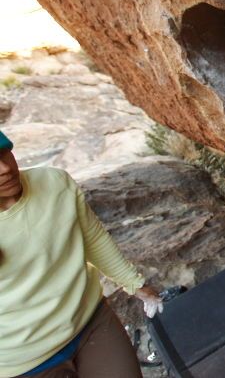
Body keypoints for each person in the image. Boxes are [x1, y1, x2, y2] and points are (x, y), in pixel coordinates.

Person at [0, 129, 163, 378]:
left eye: (4, 153)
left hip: (91, 322)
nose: (4, 169)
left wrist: (134, 283)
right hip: (23, 362)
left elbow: (92, 238)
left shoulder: (54, 183)